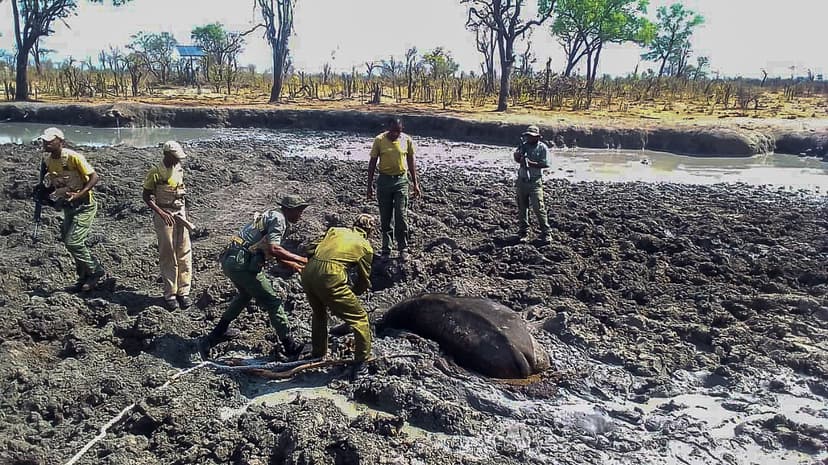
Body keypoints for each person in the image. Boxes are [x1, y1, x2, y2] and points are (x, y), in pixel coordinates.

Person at [200, 195, 309, 358]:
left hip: (231, 259)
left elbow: (273, 251)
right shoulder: (279, 219)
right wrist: (302, 259)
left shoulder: (273, 214)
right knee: (273, 300)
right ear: (289, 210)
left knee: (245, 295)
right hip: (242, 263)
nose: (300, 215)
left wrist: (294, 265)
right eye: (299, 211)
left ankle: (216, 334)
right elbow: (274, 249)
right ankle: (290, 346)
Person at [300, 214, 376, 371]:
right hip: (330, 275)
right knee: (360, 319)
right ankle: (362, 362)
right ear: (370, 231)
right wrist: (353, 294)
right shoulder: (365, 247)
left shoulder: (336, 230)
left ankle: (318, 354)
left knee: (319, 313)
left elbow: (309, 248)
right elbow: (363, 279)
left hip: (308, 272)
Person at [38, 127, 105, 292]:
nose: (46, 143)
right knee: (70, 244)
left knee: (73, 242)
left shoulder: (73, 157)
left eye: (50, 141)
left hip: (84, 206)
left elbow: (94, 177)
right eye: (45, 141)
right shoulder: (47, 162)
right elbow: (50, 186)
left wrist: (79, 194)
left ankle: (96, 271)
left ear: (60, 142)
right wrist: (43, 193)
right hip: (68, 207)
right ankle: (83, 278)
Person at [142, 141, 193, 311]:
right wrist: (161, 213)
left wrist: (184, 213)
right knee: (168, 253)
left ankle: (183, 292)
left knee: (184, 251)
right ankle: (170, 294)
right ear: (167, 155)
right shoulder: (156, 172)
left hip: (179, 212)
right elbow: (147, 196)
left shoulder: (178, 168)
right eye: (175, 157)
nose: (178, 160)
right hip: (164, 215)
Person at [366, 118, 421, 260]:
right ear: (388, 128)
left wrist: (415, 183)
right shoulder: (379, 140)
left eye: (398, 131)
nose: (395, 134)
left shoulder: (407, 140)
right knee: (385, 217)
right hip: (384, 181)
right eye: (392, 131)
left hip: (401, 181)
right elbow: (372, 163)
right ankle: (386, 249)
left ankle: (403, 247)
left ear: (401, 129)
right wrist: (369, 185)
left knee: (401, 215)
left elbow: (411, 161)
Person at [513, 125, 552, 243]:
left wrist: (530, 163)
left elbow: (545, 164)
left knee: (538, 207)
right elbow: (518, 159)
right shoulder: (523, 146)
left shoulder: (542, 148)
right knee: (522, 207)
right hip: (522, 180)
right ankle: (523, 231)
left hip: (535, 181)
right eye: (528, 136)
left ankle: (546, 232)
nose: (529, 138)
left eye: (532, 136)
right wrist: (517, 157)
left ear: (537, 137)